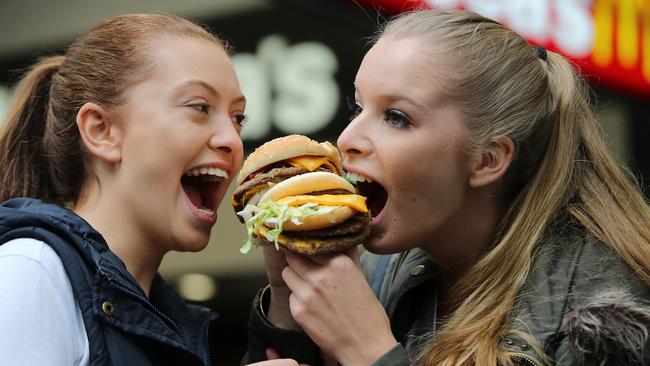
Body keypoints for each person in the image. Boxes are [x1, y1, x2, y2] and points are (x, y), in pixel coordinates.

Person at [242, 9, 650, 366]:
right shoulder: (382, 271)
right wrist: (287, 306)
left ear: (487, 160)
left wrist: (370, 352)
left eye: (396, 117)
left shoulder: (605, 309)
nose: (347, 137)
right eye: (358, 107)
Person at [0, 13, 300, 366]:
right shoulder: (32, 271)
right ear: (101, 131)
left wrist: (285, 300)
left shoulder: (164, 313)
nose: (232, 140)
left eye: (238, 118)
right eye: (200, 107)